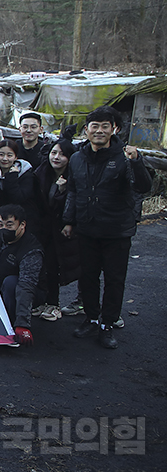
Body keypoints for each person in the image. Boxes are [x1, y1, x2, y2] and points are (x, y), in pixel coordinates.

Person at [63, 107, 151, 349]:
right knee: (88, 276)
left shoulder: (124, 156)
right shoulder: (78, 158)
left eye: (105, 126)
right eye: (94, 126)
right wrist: (69, 221)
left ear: (115, 129)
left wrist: (137, 162)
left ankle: (107, 323)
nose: (99, 131)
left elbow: (143, 186)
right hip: (87, 228)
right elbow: (73, 191)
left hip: (116, 230)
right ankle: (91, 318)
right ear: (86, 130)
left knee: (114, 278)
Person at [31, 137, 79, 322]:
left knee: (56, 266)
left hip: (62, 228)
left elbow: (70, 204)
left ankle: (54, 304)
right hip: (44, 227)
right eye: (53, 153)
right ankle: (44, 301)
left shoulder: (73, 176)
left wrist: (62, 192)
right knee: (43, 265)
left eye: (62, 154)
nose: (56, 157)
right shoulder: (42, 172)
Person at [0, 204, 44, 346]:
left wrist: (23, 324)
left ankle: (11, 324)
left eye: (9, 225)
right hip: (0, 283)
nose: (4, 229)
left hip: (27, 291)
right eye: (0, 224)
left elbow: (26, 285)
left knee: (11, 283)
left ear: (22, 225)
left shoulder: (32, 251)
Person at [0, 140, 39, 237]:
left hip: (22, 221)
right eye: (1, 154)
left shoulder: (25, 173)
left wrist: (11, 177)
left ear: (16, 157)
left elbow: (18, 198)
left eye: (9, 155)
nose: (5, 159)